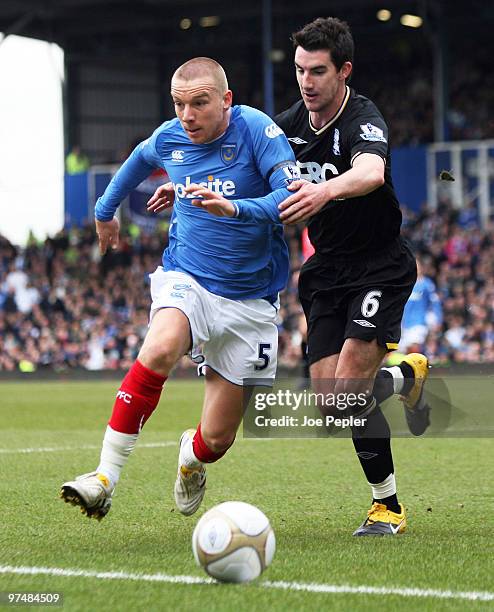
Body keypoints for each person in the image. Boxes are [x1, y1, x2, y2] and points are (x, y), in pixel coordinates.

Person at [161, 19, 431, 536]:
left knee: (349, 391)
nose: (307, 81)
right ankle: (405, 375)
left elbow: (371, 172)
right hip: (326, 270)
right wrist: (188, 188)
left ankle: (387, 507)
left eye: (319, 71)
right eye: (300, 70)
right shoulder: (283, 127)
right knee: (332, 405)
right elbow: (233, 165)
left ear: (343, 70)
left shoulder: (362, 117)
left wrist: (325, 192)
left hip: (379, 264)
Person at [60, 57, 300, 520]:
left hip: (251, 302)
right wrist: (105, 210)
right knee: (160, 346)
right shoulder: (171, 136)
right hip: (186, 276)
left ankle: (191, 457)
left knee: (218, 438)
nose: (187, 116)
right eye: (179, 104)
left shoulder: (256, 131)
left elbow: (289, 195)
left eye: (199, 103)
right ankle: (104, 477)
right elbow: (139, 160)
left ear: (226, 101)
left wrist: (235, 209)